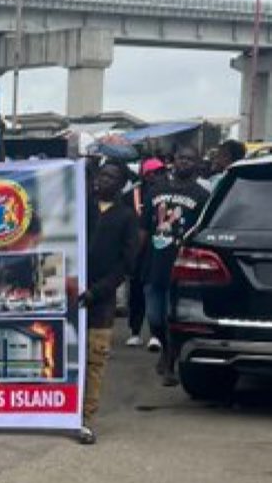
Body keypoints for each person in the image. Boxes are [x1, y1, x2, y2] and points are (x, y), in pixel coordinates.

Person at [76, 160, 140, 444]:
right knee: (66, 357)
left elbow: (126, 265)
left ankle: (86, 418)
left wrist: (97, 292)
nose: (104, 180)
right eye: (102, 174)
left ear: (121, 184)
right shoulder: (80, 207)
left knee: (94, 360)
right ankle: (61, 412)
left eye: (112, 177)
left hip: (101, 304)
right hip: (71, 293)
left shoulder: (126, 217)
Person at [139, 144, 209, 387]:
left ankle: (170, 362)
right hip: (154, 264)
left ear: (198, 164)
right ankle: (164, 349)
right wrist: (136, 259)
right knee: (154, 317)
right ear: (173, 160)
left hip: (182, 267)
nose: (184, 163)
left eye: (190, 159)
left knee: (173, 319)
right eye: (181, 158)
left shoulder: (202, 196)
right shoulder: (155, 190)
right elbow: (143, 229)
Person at [126, 159, 165, 348]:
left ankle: (156, 333)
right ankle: (134, 331)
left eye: (159, 173)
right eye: (151, 173)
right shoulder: (132, 193)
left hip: (156, 249)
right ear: (144, 174)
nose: (155, 177)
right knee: (136, 292)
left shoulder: (165, 193)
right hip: (136, 249)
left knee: (155, 290)